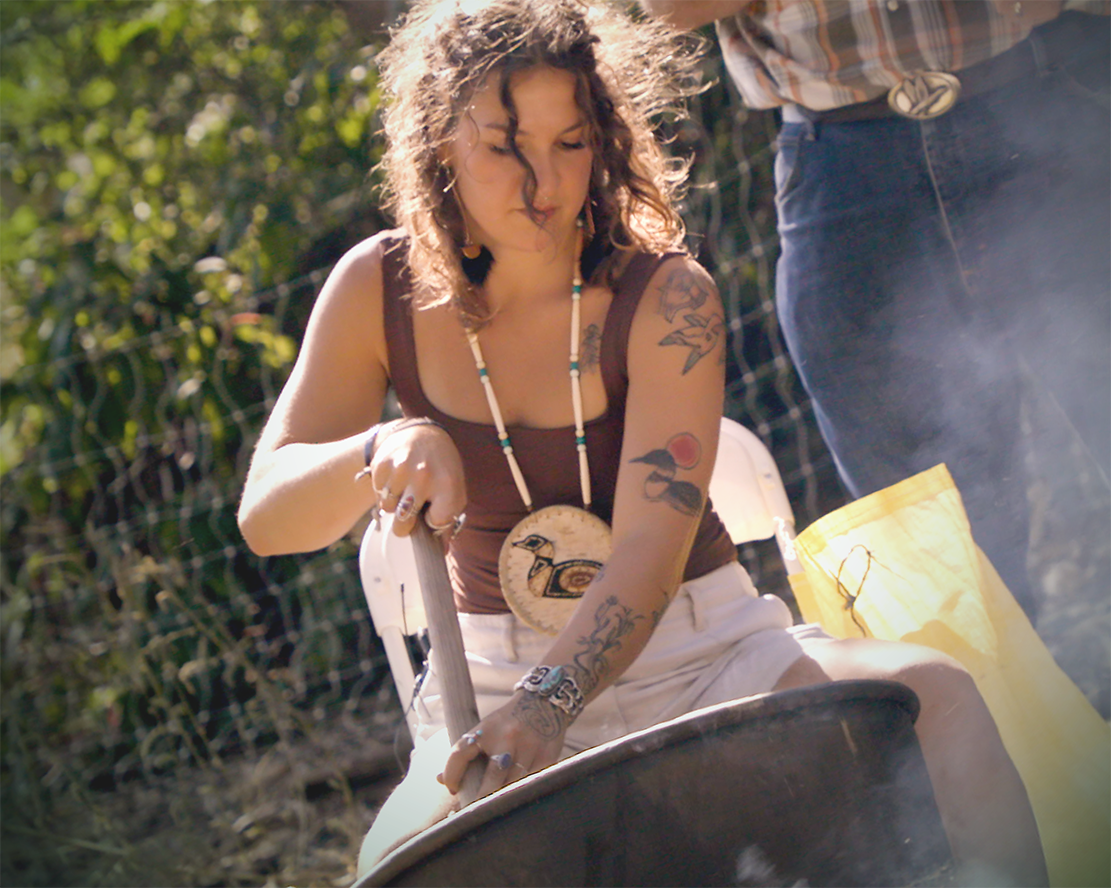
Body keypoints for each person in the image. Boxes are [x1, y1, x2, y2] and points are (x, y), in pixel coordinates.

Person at [236, 1, 1047, 884]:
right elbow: (267, 519)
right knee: (394, 866)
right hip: (492, 683)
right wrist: (375, 451)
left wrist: (551, 705)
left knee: (939, 697)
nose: (542, 182)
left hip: (705, 652)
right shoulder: (375, 287)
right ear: (438, 142)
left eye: (570, 142)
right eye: (505, 145)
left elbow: (650, 557)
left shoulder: (668, 298)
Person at [639, 0, 1111, 621]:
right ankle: (1010, 719)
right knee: (942, 572)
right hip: (842, 164)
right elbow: (672, 8)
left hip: (1041, 112)